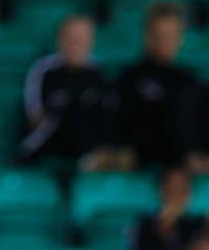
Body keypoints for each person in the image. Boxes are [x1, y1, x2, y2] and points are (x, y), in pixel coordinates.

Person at [116, 1, 209, 173]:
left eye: (170, 34)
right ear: (147, 35)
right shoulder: (130, 77)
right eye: (159, 34)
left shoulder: (190, 79)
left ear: (180, 38)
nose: (164, 40)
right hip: (148, 158)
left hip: (187, 162)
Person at [19, 13, 128, 169]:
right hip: (46, 150)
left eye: (82, 37)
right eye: (72, 37)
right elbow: (35, 120)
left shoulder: (100, 74)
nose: (76, 43)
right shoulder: (43, 71)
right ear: (60, 39)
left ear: (91, 41)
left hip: (88, 154)